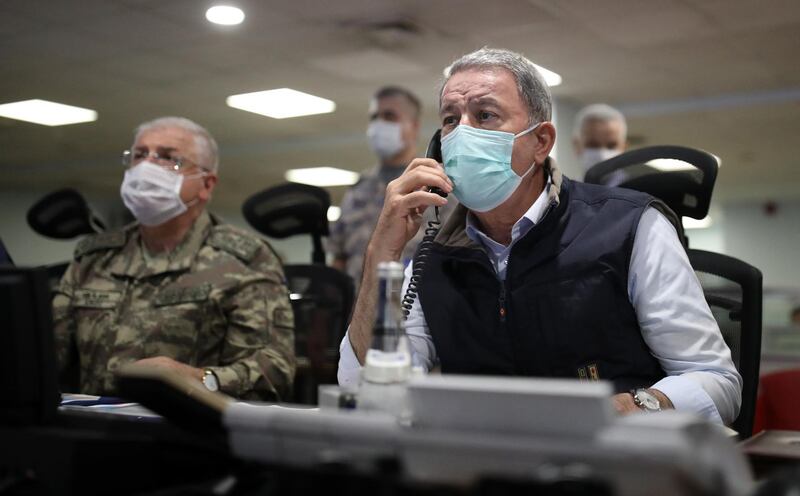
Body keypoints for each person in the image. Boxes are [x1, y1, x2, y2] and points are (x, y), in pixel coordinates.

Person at [338, 48, 742, 425]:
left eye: (485, 115)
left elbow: (714, 379)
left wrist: (622, 409)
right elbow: (363, 391)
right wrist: (381, 254)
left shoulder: (631, 225)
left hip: (612, 459)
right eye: (449, 119)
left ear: (540, 142)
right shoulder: (435, 252)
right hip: (484, 466)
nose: (461, 134)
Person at [52, 117, 296, 401]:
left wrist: (198, 378)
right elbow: (44, 356)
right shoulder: (94, 257)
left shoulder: (243, 259)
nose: (147, 166)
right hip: (90, 429)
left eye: (168, 158)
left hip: (187, 432)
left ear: (206, 184)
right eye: (139, 155)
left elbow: (274, 370)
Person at [328, 86, 454, 287]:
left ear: (414, 126)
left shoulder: (437, 182)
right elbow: (340, 257)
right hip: (358, 308)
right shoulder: (358, 189)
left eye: (389, 116)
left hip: (413, 309)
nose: (379, 124)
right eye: (374, 117)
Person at [572, 103, 627, 178]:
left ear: (623, 147)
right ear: (577, 145)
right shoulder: (562, 189)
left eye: (611, 146)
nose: (602, 155)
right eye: (593, 145)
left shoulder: (640, 188)